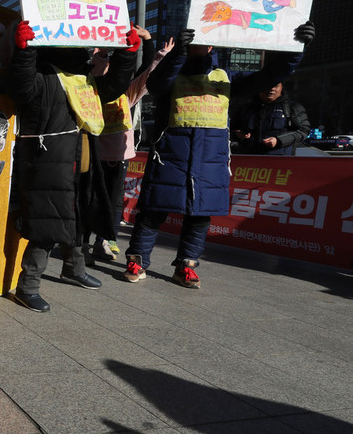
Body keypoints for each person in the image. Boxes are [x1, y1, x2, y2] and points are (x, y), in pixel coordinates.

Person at [124, 23, 314, 288]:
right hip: (169, 157)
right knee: (153, 211)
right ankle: (137, 260)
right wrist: (178, 53)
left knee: (200, 215)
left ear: (212, 45)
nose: (198, 44)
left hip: (210, 161)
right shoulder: (172, 72)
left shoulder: (227, 78)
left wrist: (295, 48)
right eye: (193, 41)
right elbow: (156, 84)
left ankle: (187, 266)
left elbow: (270, 75)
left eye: (203, 41)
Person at [9, 21, 139, 313]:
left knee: (79, 217)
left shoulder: (83, 79)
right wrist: (25, 50)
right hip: (48, 164)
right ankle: (27, 287)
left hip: (80, 162)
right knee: (47, 226)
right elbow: (21, 85)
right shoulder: (44, 74)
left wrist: (127, 54)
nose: (84, 52)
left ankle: (73, 268)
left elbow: (113, 86)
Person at [87, 28, 173, 262]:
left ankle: (106, 240)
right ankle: (81, 242)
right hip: (91, 155)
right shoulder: (89, 91)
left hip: (118, 156)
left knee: (114, 202)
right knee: (88, 199)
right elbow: (95, 69)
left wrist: (159, 56)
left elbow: (146, 77)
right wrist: (101, 53)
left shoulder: (126, 94)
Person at [232, 82, 310, 155]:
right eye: (267, 85)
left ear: (281, 87)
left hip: (280, 164)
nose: (271, 89)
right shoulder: (245, 108)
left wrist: (278, 140)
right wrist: (239, 135)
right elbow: (229, 132)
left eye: (276, 85)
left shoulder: (292, 108)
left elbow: (303, 130)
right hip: (250, 164)